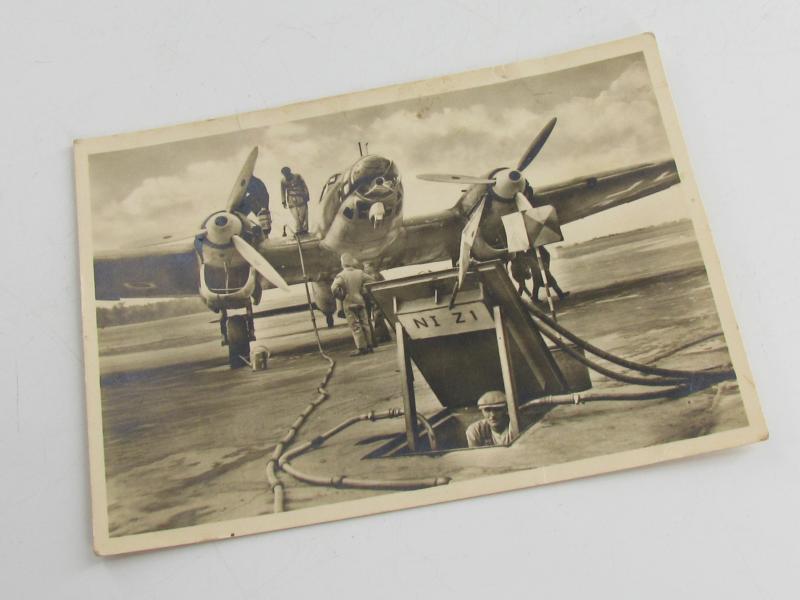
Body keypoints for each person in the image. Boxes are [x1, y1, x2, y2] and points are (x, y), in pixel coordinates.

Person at [331, 253, 376, 356]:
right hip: (360, 301)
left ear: (342, 264)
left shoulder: (341, 275)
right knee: (365, 323)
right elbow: (372, 280)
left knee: (355, 325)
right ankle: (370, 346)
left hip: (349, 303)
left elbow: (333, 288)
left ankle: (361, 348)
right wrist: (363, 290)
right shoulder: (360, 273)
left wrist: (342, 296)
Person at [280, 166, 310, 236]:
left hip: (301, 198)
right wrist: (283, 202)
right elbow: (282, 191)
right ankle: (299, 230)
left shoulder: (298, 176)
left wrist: (307, 195)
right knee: (296, 217)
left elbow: (304, 185)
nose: (286, 175)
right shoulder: (283, 181)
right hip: (291, 201)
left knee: (303, 216)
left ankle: (304, 230)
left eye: (287, 173)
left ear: (290, 172)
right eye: (284, 174)